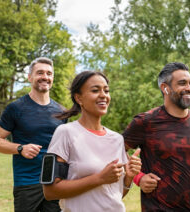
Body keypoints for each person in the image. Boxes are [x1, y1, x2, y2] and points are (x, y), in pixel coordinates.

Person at [123, 62, 190, 211]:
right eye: (182, 83)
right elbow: (116, 150)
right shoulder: (146, 121)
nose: (189, 88)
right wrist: (139, 177)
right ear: (165, 88)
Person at [42, 71, 142, 212]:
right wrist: (100, 178)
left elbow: (114, 195)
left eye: (106, 91)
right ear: (79, 98)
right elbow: (50, 192)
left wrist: (128, 178)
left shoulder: (117, 139)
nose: (103, 95)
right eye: (95, 90)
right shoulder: (65, 133)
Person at [0, 57, 67, 212]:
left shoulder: (62, 112)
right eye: (40, 73)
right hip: (27, 184)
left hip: (55, 182)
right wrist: (20, 148)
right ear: (30, 77)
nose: (45, 77)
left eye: (49, 73)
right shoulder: (16, 108)